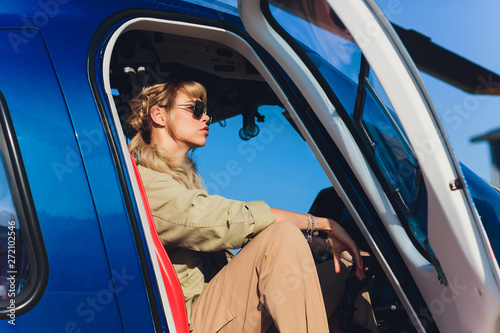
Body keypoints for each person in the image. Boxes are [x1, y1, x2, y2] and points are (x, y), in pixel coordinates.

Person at [127, 80, 378, 332]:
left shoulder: (184, 185)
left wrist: (317, 245)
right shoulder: (146, 182)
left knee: (345, 274)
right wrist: (323, 224)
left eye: (206, 111)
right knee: (282, 236)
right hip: (195, 321)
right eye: (195, 108)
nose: (205, 117)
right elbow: (223, 221)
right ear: (159, 115)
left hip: (219, 312)